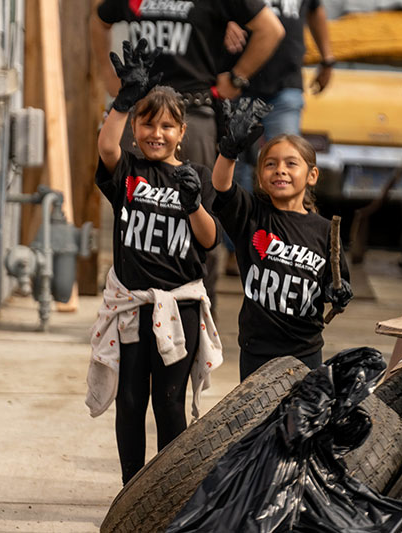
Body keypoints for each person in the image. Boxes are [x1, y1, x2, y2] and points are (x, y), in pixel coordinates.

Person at [86, 40, 223, 486]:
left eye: (168, 126)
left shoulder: (197, 177)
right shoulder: (130, 171)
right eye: (147, 123)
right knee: (129, 400)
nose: (157, 133)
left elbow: (209, 240)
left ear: (183, 132)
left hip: (177, 307)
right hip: (132, 304)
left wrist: (193, 204)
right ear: (135, 128)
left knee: (168, 401)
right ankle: (131, 488)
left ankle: (167, 491)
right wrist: (124, 101)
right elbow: (107, 147)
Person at [90, 0, 285, 313]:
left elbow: (270, 29)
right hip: (142, 112)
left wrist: (237, 77)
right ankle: (134, 308)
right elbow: (99, 19)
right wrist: (108, 76)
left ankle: (200, 312)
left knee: (200, 211)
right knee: (134, 214)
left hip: (192, 117)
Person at [210, 99, 352, 381]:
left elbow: (335, 285)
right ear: (261, 179)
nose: (280, 170)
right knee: (257, 422)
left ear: (312, 175)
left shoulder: (325, 231)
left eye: (291, 164)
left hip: (306, 352)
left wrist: (340, 294)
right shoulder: (249, 216)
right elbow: (221, 187)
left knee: (300, 423)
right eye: (271, 164)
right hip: (257, 351)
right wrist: (229, 151)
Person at [220, 0, 335, 275]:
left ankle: (289, 246)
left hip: (286, 85)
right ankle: (237, 249)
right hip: (240, 83)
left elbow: (315, 11)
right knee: (239, 170)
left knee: (290, 166)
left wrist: (327, 58)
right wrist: (223, 23)